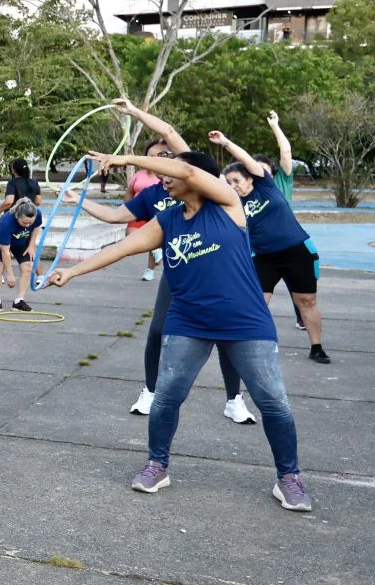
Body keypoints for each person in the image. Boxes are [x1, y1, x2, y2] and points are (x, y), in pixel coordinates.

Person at [48, 150, 312, 512]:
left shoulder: (227, 204)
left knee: (273, 402)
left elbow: (185, 169)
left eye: (169, 174)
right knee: (166, 397)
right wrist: (71, 272)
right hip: (188, 322)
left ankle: (289, 477)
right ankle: (157, 464)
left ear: (197, 177)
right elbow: (123, 247)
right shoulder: (168, 219)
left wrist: (125, 158)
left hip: (245, 321)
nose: (163, 180)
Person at [74, 99, 251, 424]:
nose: (162, 162)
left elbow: (170, 134)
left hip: (221, 277)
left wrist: (133, 112)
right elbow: (118, 225)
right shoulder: (157, 196)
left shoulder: (205, 186)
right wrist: (77, 202)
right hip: (180, 273)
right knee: (158, 330)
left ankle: (234, 399)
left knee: (228, 339)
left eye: (166, 157)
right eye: (156, 159)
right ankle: (151, 390)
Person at [211, 128, 329, 364]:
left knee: (306, 301)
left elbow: (246, 160)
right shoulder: (232, 204)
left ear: (250, 178)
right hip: (265, 258)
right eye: (229, 182)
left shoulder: (266, 186)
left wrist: (225, 142)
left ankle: (316, 347)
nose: (233, 186)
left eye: (237, 180)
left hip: (297, 252)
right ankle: (253, 347)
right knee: (256, 301)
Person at [264, 111, 308, 332]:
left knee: (296, 285)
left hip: (289, 244)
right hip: (263, 247)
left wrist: (275, 126)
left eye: (264, 168)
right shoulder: (246, 191)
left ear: (272, 171)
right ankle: (254, 320)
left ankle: (302, 317)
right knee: (259, 288)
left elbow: (286, 151)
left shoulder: (281, 181)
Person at [0, 198, 43, 313]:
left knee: (28, 266)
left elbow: (36, 227)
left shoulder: (37, 213)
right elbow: (5, 251)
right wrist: (10, 274)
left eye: (30, 223)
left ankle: (19, 301)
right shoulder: (6, 221)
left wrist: (31, 245)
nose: (27, 226)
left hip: (21, 240)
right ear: (17, 216)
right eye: (24, 223)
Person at [127, 160, 163, 281]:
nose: (151, 158)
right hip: (138, 210)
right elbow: (130, 192)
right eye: (150, 156)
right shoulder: (138, 174)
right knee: (130, 234)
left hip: (155, 211)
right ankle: (156, 250)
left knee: (153, 239)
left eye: (155, 157)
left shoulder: (162, 176)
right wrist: (126, 206)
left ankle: (149, 271)